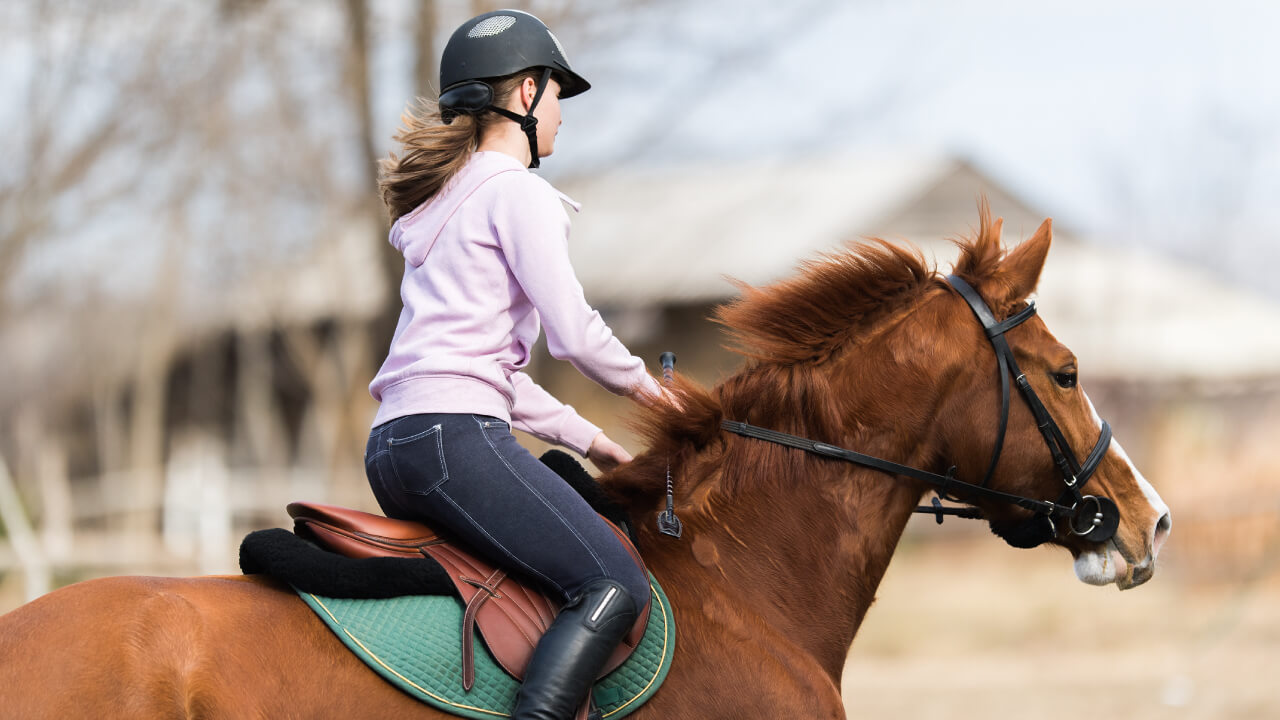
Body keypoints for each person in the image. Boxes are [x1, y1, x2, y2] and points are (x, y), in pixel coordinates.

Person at [364, 9, 660, 720]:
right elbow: (577, 337)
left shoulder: (444, 203)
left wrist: (590, 440)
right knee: (613, 583)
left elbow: (489, 374)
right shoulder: (518, 191)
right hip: (453, 441)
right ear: (526, 94)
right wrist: (663, 399)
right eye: (558, 93)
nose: (561, 113)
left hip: (393, 447)